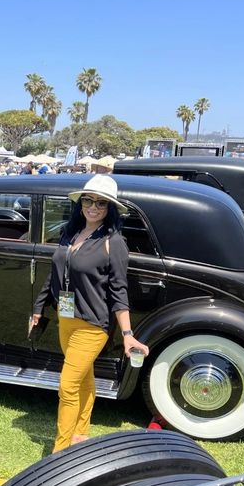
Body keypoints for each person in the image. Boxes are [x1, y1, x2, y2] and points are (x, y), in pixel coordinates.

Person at [31, 175, 149, 452]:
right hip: (66, 318)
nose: (93, 207)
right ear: (80, 202)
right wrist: (39, 307)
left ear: (110, 208)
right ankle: (80, 433)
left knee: (67, 385)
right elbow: (56, 273)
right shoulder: (70, 232)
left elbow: (119, 290)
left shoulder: (114, 242)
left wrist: (128, 334)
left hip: (93, 325)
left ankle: (59, 452)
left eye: (101, 203)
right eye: (88, 200)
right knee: (83, 379)